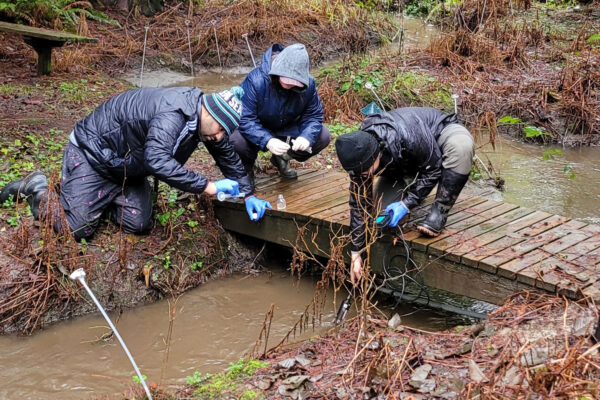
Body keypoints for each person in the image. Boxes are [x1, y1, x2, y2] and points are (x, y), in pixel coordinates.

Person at [0, 86, 272, 241]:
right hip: (92, 154)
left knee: (138, 224)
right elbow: (157, 160)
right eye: (221, 129)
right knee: (77, 228)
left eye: (225, 133)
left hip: (127, 166)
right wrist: (207, 186)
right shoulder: (174, 113)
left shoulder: (206, 121)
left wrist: (248, 193)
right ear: (210, 113)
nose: (220, 137)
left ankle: (97, 199)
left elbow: (226, 155)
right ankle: (38, 189)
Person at [334, 107, 475, 284]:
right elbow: (359, 205)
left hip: (438, 137)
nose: (362, 176)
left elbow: (433, 169)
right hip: (401, 166)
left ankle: (440, 210)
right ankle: (411, 185)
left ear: (376, 155)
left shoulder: (409, 134)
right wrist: (356, 252)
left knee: (461, 147)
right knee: (381, 219)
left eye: (364, 172)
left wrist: (406, 204)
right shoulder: (356, 152)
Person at [230, 43, 331, 181]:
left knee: (323, 135)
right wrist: (268, 140)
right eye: (287, 78)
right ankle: (245, 171)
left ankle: (283, 157)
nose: (290, 84)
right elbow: (245, 119)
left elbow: (313, 115)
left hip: (287, 128)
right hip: (258, 128)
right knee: (236, 140)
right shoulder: (256, 80)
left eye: (295, 81)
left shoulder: (309, 84)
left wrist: (306, 137)